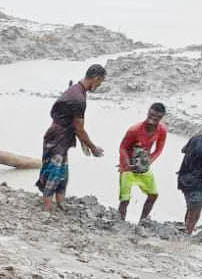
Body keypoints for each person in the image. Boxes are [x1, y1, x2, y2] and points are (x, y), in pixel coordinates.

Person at [37, 64, 107, 211]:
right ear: (95, 78)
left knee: (63, 173)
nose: (99, 86)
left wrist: (83, 142)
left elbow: (75, 126)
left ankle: (61, 204)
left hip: (61, 136)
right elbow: (79, 129)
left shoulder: (76, 89)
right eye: (100, 82)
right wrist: (92, 147)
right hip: (58, 137)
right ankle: (47, 208)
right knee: (54, 173)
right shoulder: (79, 99)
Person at [117, 103, 168, 221]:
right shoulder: (134, 130)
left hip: (143, 165)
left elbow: (159, 149)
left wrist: (149, 161)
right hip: (128, 166)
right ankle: (120, 222)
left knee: (153, 195)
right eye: (151, 115)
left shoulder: (162, 130)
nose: (152, 120)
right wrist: (126, 163)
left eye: (157, 118)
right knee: (125, 199)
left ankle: (143, 221)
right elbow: (122, 147)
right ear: (148, 113)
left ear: (161, 117)